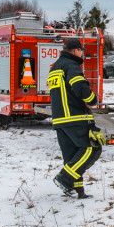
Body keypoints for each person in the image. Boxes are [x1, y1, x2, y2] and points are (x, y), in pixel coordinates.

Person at [47, 38, 102, 199]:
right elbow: (79, 87)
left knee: (72, 157)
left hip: (59, 120)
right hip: (74, 117)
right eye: (80, 51)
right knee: (92, 149)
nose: (81, 54)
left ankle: (77, 189)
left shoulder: (55, 67)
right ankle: (64, 178)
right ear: (75, 50)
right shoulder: (71, 66)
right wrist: (92, 99)